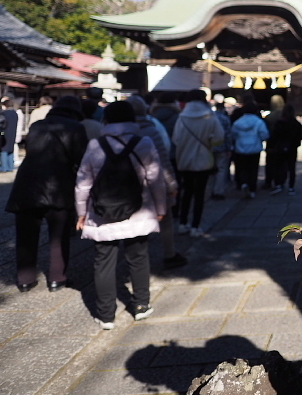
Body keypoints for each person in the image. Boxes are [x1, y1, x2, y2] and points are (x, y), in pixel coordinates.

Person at [75, 100, 166, 329]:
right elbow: (156, 179)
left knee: (103, 262)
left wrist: (81, 213)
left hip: (102, 213)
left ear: (106, 119)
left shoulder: (96, 145)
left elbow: (83, 184)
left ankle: (106, 315)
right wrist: (161, 208)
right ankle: (141, 305)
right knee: (138, 258)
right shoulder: (143, 142)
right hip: (138, 211)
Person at [5, 96, 88, 291]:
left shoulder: (37, 126)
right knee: (58, 236)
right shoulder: (76, 128)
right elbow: (82, 159)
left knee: (25, 236)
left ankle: (25, 280)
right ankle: (57, 278)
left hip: (27, 183)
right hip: (58, 185)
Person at [127, 95, 186, 270]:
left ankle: (135, 258)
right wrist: (172, 184)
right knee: (165, 219)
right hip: (153, 183)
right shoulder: (151, 129)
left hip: (127, 183)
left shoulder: (114, 131)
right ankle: (169, 254)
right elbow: (163, 159)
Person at [172, 89, 223, 236]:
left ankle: (182, 223)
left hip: (184, 159)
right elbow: (219, 137)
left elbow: (176, 139)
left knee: (186, 191)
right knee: (200, 194)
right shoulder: (210, 116)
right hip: (204, 159)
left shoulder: (182, 117)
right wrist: (209, 143)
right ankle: (195, 226)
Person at [230, 103, 269, 199]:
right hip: (255, 148)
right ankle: (252, 188)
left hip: (241, 148)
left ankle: (243, 182)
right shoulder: (258, 122)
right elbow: (265, 135)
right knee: (253, 169)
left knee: (243, 168)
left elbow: (233, 135)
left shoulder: (237, 122)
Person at [268, 104, 302, 194]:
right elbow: (300, 136)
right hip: (292, 148)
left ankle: (279, 183)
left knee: (279, 166)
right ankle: (291, 186)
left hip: (280, 147)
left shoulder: (279, 123)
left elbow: (274, 136)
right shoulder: (296, 124)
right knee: (292, 168)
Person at [211, 94, 232, 200]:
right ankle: (218, 191)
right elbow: (228, 134)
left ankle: (211, 190)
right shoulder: (225, 119)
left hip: (209, 147)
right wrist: (229, 148)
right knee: (221, 169)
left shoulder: (209, 118)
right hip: (222, 147)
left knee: (211, 170)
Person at [0, 98, 17, 172]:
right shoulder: (15, 113)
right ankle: (10, 166)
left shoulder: (4, 114)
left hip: (4, 134)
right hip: (13, 134)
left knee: (4, 150)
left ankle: (4, 167)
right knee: (10, 150)